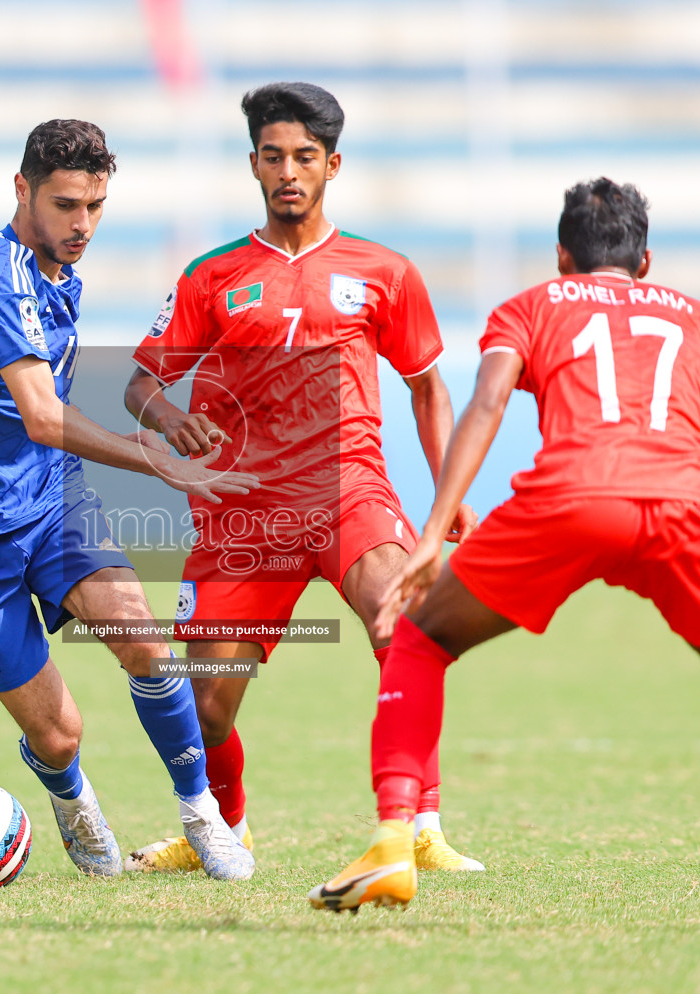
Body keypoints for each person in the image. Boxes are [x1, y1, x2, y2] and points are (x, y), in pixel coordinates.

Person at [307, 178, 700, 931]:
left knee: (420, 640)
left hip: (570, 502)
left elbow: (488, 403)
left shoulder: (530, 308)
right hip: (684, 513)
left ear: (562, 257)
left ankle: (395, 838)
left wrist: (431, 535)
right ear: (646, 261)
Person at [121, 83, 483, 874]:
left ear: (333, 165)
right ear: (253, 163)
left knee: (403, 625)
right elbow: (140, 383)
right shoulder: (210, 276)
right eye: (275, 156)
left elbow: (428, 385)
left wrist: (446, 497)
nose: (290, 171)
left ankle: (420, 822)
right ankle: (224, 827)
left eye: (306, 157)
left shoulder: (383, 271)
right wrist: (170, 421)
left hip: (349, 488)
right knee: (206, 705)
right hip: (243, 510)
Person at [0, 119, 258, 882]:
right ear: (22, 189)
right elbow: (41, 413)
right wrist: (152, 459)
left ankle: (203, 817)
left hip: (49, 497)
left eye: (96, 206)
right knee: (60, 734)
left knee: (143, 640)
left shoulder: (62, 269)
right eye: (66, 205)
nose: (83, 225)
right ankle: (70, 798)